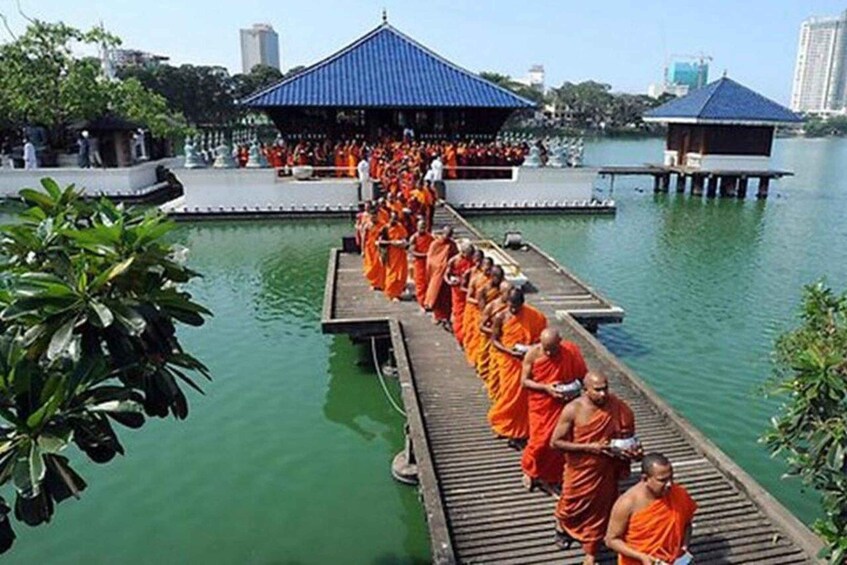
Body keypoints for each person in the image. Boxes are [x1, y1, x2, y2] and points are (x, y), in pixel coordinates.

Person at [551, 372, 641, 564]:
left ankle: (591, 551)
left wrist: (634, 452)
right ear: (585, 390)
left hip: (606, 468)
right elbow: (555, 442)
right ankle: (561, 528)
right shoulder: (573, 409)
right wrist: (589, 447)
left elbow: (628, 438)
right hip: (580, 468)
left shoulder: (619, 407)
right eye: (597, 390)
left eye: (605, 388)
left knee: (602, 508)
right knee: (570, 503)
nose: (603, 394)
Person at [520, 328, 587, 492]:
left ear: (560, 342)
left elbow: (581, 376)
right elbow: (524, 382)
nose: (549, 353)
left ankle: (553, 477)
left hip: (563, 404)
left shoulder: (570, 351)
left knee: (560, 439)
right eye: (546, 348)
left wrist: (572, 390)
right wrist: (546, 388)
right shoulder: (533, 354)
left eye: (553, 349)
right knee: (539, 441)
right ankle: (530, 470)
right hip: (541, 404)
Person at [605, 453, 696, 565]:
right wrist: (641, 556)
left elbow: (687, 524)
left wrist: (684, 547)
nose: (669, 484)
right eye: (662, 480)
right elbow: (611, 540)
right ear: (645, 478)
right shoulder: (627, 503)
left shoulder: (679, 494)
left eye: (671, 478)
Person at [487, 287, 548, 442]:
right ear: (507, 302)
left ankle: (522, 431)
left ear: (523, 303)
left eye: (517, 306)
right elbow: (494, 340)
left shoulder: (535, 316)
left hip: (527, 361)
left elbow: (541, 340)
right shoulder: (501, 316)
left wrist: (531, 350)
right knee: (509, 395)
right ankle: (504, 425)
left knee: (524, 398)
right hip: (509, 362)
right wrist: (510, 352)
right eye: (511, 305)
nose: (514, 309)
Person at [424, 226, 458, 326]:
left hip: (447, 274)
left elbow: (455, 257)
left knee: (446, 297)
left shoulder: (452, 244)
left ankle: (446, 316)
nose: (447, 237)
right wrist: (441, 265)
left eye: (450, 235)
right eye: (446, 234)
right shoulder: (435, 244)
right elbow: (430, 260)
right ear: (443, 233)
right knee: (436, 294)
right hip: (437, 273)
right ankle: (437, 316)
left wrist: (451, 268)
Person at [444, 241, 475, 344]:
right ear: (462, 252)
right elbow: (446, 275)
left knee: (470, 315)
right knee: (458, 314)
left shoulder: (473, 261)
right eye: (468, 254)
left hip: (470, 291)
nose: (469, 256)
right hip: (457, 291)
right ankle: (460, 337)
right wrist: (450, 282)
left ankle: (468, 337)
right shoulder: (453, 261)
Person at [378, 211, 409, 302]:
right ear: (389, 218)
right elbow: (380, 242)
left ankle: (398, 293)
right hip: (391, 254)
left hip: (401, 254)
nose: (394, 220)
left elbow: (404, 237)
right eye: (392, 218)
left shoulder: (400, 226)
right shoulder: (385, 229)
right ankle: (392, 293)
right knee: (392, 274)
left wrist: (403, 243)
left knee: (402, 273)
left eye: (396, 218)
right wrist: (392, 242)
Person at [408, 220, 434, 309]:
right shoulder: (414, 238)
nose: (422, 228)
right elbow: (412, 251)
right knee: (420, 284)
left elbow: (433, 249)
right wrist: (424, 255)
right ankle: (422, 302)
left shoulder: (430, 237)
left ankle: (428, 301)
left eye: (424, 226)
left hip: (428, 263)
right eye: (420, 226)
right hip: (419, 263)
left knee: (428, 282)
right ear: (417, 227)